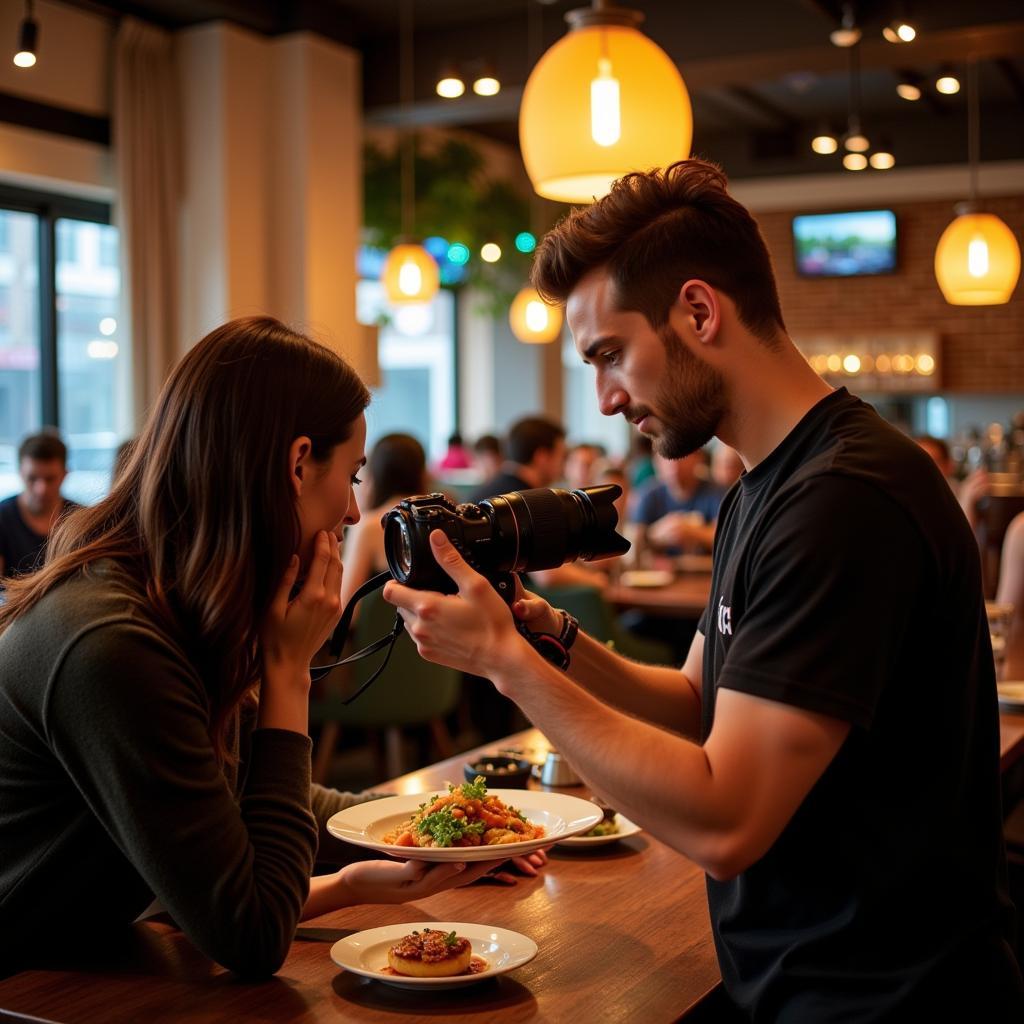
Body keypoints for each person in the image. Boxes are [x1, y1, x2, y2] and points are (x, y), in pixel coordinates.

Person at [384, 161, 1024, 1020]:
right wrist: (548, 638)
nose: (606, 399)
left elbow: (728, 822)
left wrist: (507, 667)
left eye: (611, 356)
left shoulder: (845, 498)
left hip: (880, 998)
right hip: (799, 981)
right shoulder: (764, 487)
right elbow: (695, 702)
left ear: (697, 310)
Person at [0, 316, 538, 980]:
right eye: (352, 475)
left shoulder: (172, 598)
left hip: (101, 958)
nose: (350, 512)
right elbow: (251, 930)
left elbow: (252, 798)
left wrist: (445, 830)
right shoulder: (110, 642)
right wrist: (288, 676)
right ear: (297, 464)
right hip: (31, 987)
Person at [341, 432, 429, 611]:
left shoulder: (369, 527)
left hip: (381, 639)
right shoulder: (441, 520)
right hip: (434, 636)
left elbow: (346, 611)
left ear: (376, 474)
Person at [0, 432, 79, 579]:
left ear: (65, 474)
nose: (41, 489)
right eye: (32, 478)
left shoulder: (81, 519)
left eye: (50, 479)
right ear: (20, 473)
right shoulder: (3, 518)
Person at [631, 449, 722, 556]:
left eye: (681, 456)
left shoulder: (715, 493)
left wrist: (689, 531)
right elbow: (635, 541)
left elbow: (724, 537)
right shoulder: (648, 494)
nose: (674, 463)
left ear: (698, 458)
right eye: (667, 457)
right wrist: (656, 534)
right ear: (656, 463)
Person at [469, 415, 567, 502]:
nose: (564, 465)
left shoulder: (488, 492)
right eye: (561, 456)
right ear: (542, 457)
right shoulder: (530, 503)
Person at [915, 433, 989, 530]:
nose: (925, 471)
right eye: (919, 464)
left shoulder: (964, 493)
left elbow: (963, 543)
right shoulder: (907, 501)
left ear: (949, 465)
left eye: (934, 462)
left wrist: (967, 500)